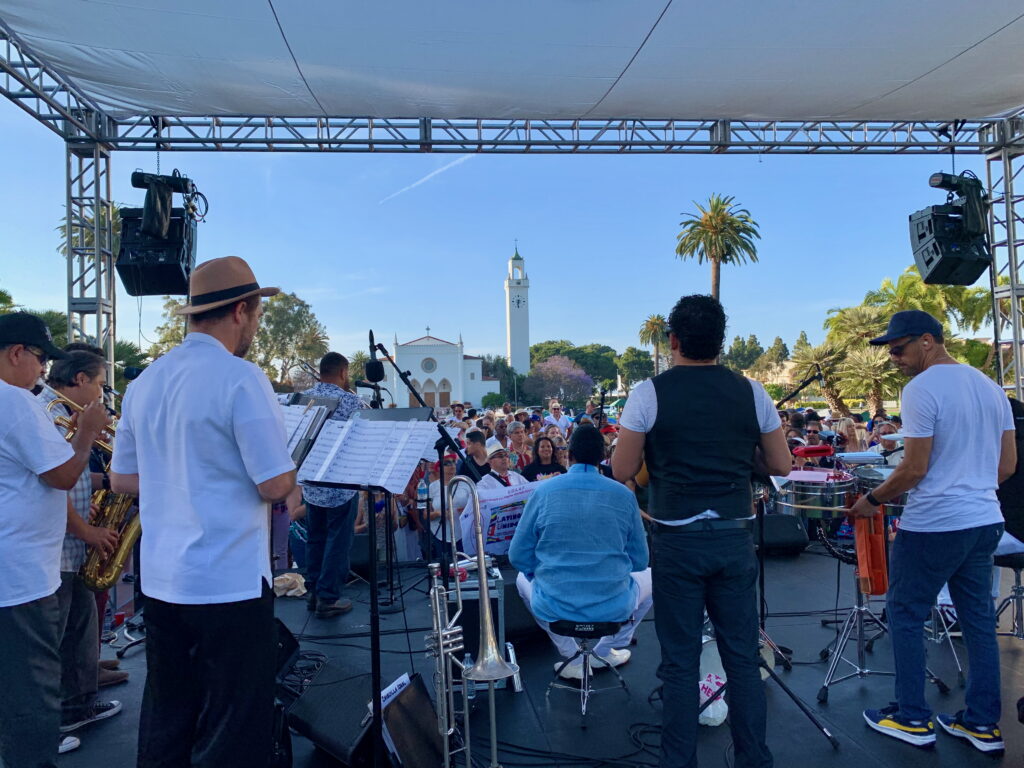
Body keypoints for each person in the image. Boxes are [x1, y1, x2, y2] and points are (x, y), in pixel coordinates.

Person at [110, 257, 296, 767]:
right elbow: (275, 482)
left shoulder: (145, 381)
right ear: (241, 311)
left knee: (168, 714)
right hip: (229, 581)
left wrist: (184, 476)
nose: (256, 327)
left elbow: (123, 478)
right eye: (257, 316)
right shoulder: (241, 378)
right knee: (233, 725)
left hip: (164, 579)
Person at [613, 295, 790, 768]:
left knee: (680, 662)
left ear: (673, 340)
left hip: (677, 542)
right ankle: (754, 760)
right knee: (742, 659)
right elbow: (780, 463)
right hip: (735, 538)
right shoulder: (752, 391)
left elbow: (622, 467)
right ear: (721, 342)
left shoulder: (648, 393)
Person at [850, 310, 1015, 753]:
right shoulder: (990, 387)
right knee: (979, 621)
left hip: (935, 524)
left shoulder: (920, 389)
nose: (895, 359)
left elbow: (915, 468)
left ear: (928, 340)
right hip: (984, 520)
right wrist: (970, 486)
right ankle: (981, 725)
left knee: (905, 613)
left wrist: (872, 501)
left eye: (899, 349)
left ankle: (911, 717)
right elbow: (1006, 466)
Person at [0, 312, 111, 763]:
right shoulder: (14, 402)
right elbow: (63, 475)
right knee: (35, 690)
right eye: (42, 358)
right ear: (16, 353)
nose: (45, 370)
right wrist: (86, 433)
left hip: (13, 567)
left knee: (16, 684)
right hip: (23, 574)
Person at [510, 425, 651, 679]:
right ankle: (607, 648)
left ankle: (570, 655)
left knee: (521, 579)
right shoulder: (624, 495)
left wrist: (538, 574)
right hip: (613, 605)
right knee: (653, 577)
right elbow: (640, 561)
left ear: (569, 454)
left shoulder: (542, 491)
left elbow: (518, 556)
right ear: (603, 455)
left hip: (555, 603)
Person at [37, 352, 125, 739]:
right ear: (79, 379)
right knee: (52, 642)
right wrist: (87, 532)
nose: (103, 394)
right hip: (57, 548)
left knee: (80, 629)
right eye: (100, 384)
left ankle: (77, 706)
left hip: (69, 551)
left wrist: (108, 484)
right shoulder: (44, 412)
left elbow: (71, 470)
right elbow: (51, 484)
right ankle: (47, 726)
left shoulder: (54, 411)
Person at [299, 352, 365, 618]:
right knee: (338, 540)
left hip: (312, 482)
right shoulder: (350, 401)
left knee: (315, 538)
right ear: (343, 372)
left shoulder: (304, 398)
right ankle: (328, 597)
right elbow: (360, 440)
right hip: (340, 483)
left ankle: (314, 592)